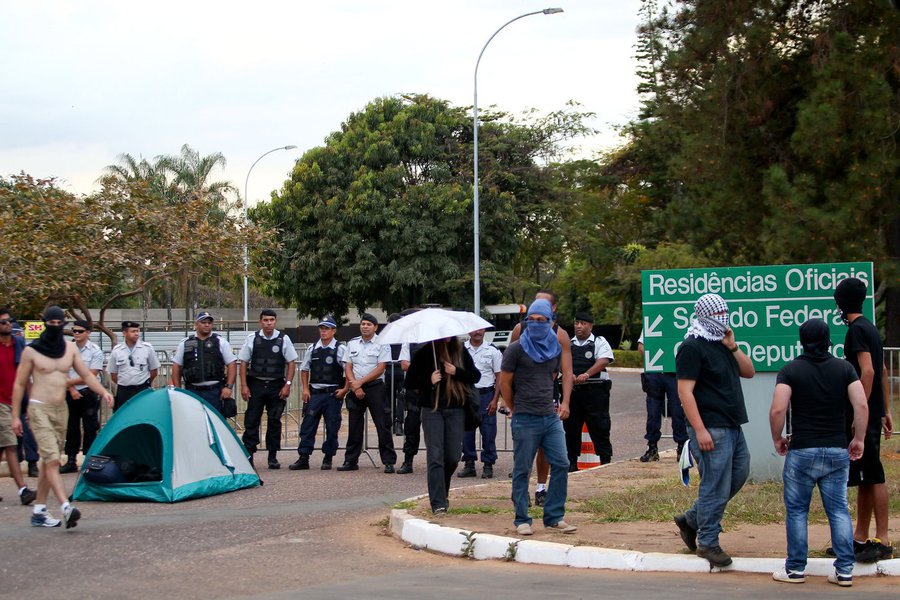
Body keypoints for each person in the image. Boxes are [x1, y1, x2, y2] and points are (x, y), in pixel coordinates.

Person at [769, 318, 867, 587]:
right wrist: (858, 438)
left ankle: (795, 569)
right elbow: (861, 405)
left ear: (802, 341)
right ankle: (845, 570)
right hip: (837, 450)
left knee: (798, 511)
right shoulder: (845, 369)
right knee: (838, 510)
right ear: (828, 341)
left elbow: (778, 409)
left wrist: (777, 437)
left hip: (802, 450)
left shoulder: (790, 371)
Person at [11, 306, 114, 528]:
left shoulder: (69, 350)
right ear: (44, 323)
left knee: (49, 460)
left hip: (61, 409)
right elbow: (20, 384)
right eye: (52, 323)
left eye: (59, 324)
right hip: (39, 408)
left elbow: (86, 374)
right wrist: (16, 415)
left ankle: (39, 511)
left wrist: (103, 391)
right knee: (54, 460)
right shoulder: (31, 351)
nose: (55, 327)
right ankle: (66, 507)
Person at [673, 293, 755, 568]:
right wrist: (699, 430)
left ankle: (692, 519)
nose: (724, 318)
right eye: (718, 314)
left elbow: (749, 371)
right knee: (715, 484)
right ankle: (707, 541)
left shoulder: (721, 342)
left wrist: (733, 346)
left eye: (725, 312)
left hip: (732, 424)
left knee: (739, 473)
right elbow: (685, 391)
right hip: (710, 427)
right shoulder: (691, 347)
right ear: (704, 316)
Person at [501, 298, 577, 536]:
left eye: (541, 320)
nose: (535, 324)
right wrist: (513, 407)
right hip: (525, 417)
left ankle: (554, 516)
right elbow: (504, 382)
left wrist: (564, 402)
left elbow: (559, 374)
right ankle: (522, 518)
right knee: (522, 469)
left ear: (550, 321)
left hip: (550, 416)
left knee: (562, 463)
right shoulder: (516, 349)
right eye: (531, 320)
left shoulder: (555, 347)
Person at [833, 277, 893, 562]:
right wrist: (886, 409)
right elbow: (881, 368)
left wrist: (862, 410)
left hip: (863, 412)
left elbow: (867, 371)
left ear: (842, 304)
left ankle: (882, 539)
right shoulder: (870, 327)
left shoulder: (856, 330)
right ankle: (859, 536)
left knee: (874, 474)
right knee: (864, 476)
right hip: (874, 409)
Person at [405, 336, 480, 513]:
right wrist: (428, 380)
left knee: (453, 456)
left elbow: (475, 376)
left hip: (456, 408)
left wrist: (457, 372)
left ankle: (442, 488)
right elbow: (410, 382)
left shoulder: (460, 350)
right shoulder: (424, 352)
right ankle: (438, 502)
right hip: (432, 409)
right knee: (435, 455)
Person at [337, 313, 397, 472]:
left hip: (375, 387)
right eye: (363, 324)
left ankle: (388, 461)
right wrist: (355, 386)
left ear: (375, 327)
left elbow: (381, 368)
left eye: (369, 324)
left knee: (382, 424)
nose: (365, 327)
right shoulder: (352, 343)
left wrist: (360, 383)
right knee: (354, 426)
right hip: (355, 388)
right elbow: (348, 366)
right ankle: (350, 460)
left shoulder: (382, 344)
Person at [238, 309, 298, 469]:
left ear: (275, 321)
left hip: (276, 386)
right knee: (251, 421)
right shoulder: (252, 339)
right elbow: (243, 362)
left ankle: (273, 456)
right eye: (266, 320)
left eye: (272, 320)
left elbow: (291, 362)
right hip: (256, 385)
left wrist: (288, 384)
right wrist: (244, 385)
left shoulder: (283, 339)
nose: (269, 323)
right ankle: (249, 455)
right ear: (260, 322)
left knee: (274, 421)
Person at [290, 315, 347, 471]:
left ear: (334, 330)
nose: (323, 331)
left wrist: (345, 389)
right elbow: (304, 369)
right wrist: (305, 389)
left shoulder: (340, 349)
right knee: (308, 426)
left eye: (327, 328)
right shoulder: (312, 348)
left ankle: (328, 457)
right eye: (322, 328)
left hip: (332, 394)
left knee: (332, 426)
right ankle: (303, 457)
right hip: (315, 394)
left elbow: (348, 371)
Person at [564, 311, 614, 468]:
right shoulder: (568, 344)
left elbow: (604, 360)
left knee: (600, 426)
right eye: (576, 323)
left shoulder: (599, 342)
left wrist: (586, 374)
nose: (578, 326)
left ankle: (605, 460)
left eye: (583, 323)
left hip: (595, 392)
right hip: (573, 393)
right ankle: (572, 462)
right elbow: (559, 361)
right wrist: (568, 374)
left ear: (590, 326)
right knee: (571, 428)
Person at [0, 308, 36, 505]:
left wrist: (30, 401)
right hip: (1, 403)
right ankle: (23, 490)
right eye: (3, 322)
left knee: (2, 446)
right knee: (11, 445)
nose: (7, 324)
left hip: (18, 400)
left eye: (9, 321)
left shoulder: (19, 344)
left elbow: (26, 376)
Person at [59, 319, 104, 473]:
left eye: (80, 331)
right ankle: (71, 460)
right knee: (72, 427)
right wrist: (71, 388)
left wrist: (71, 383)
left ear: (88, 333)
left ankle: (90, 460)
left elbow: (91, 374)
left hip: (88, 392)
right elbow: (61, 371)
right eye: (74, 331)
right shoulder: (66, 349)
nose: (76, 334)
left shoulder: (95, 350)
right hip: (71, 392)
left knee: (91, 427)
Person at [170, 312, 237, 416]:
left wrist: (228, 387)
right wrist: (178, 390)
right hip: (192, 391)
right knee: (193, 422)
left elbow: (232, 364)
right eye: (203, 322)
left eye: (209, 322)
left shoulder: (221, 342)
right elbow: (176, 366)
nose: (207, 325)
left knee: (215, 422)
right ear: (196, 324)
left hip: (215, 392)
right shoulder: (185, 343)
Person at [458, 328, 502, 479]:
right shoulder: (461, 350)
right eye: (474, 330)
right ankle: (469, 463)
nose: (478, 332)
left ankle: (488, 464)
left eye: (481, 329)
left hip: (486, 394)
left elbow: (499, 377)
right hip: (467, 395)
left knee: (488, 432)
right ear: (469, 332)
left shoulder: (492, 350)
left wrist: (495, 399)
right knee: (466, 432)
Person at [637, 331, 688, 462]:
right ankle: (652, 447)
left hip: (674, 372)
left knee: (678, 411)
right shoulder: (653, 319)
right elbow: (641, 346)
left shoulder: (675, 322)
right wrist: (655, 357)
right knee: (653, 412)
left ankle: (682, 447)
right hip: (655, 372)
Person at [108, 321, 160, 412]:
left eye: (137, 331)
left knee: (143, 416)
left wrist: (145, 382)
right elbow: (113, 375)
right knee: (123, 417)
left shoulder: (147, 348)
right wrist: (126, 382)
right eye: (133, 331)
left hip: (142, 390)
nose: (136, 334)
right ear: (124, 333)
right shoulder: (117, 350)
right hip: (123, 391)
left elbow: (154, 371)